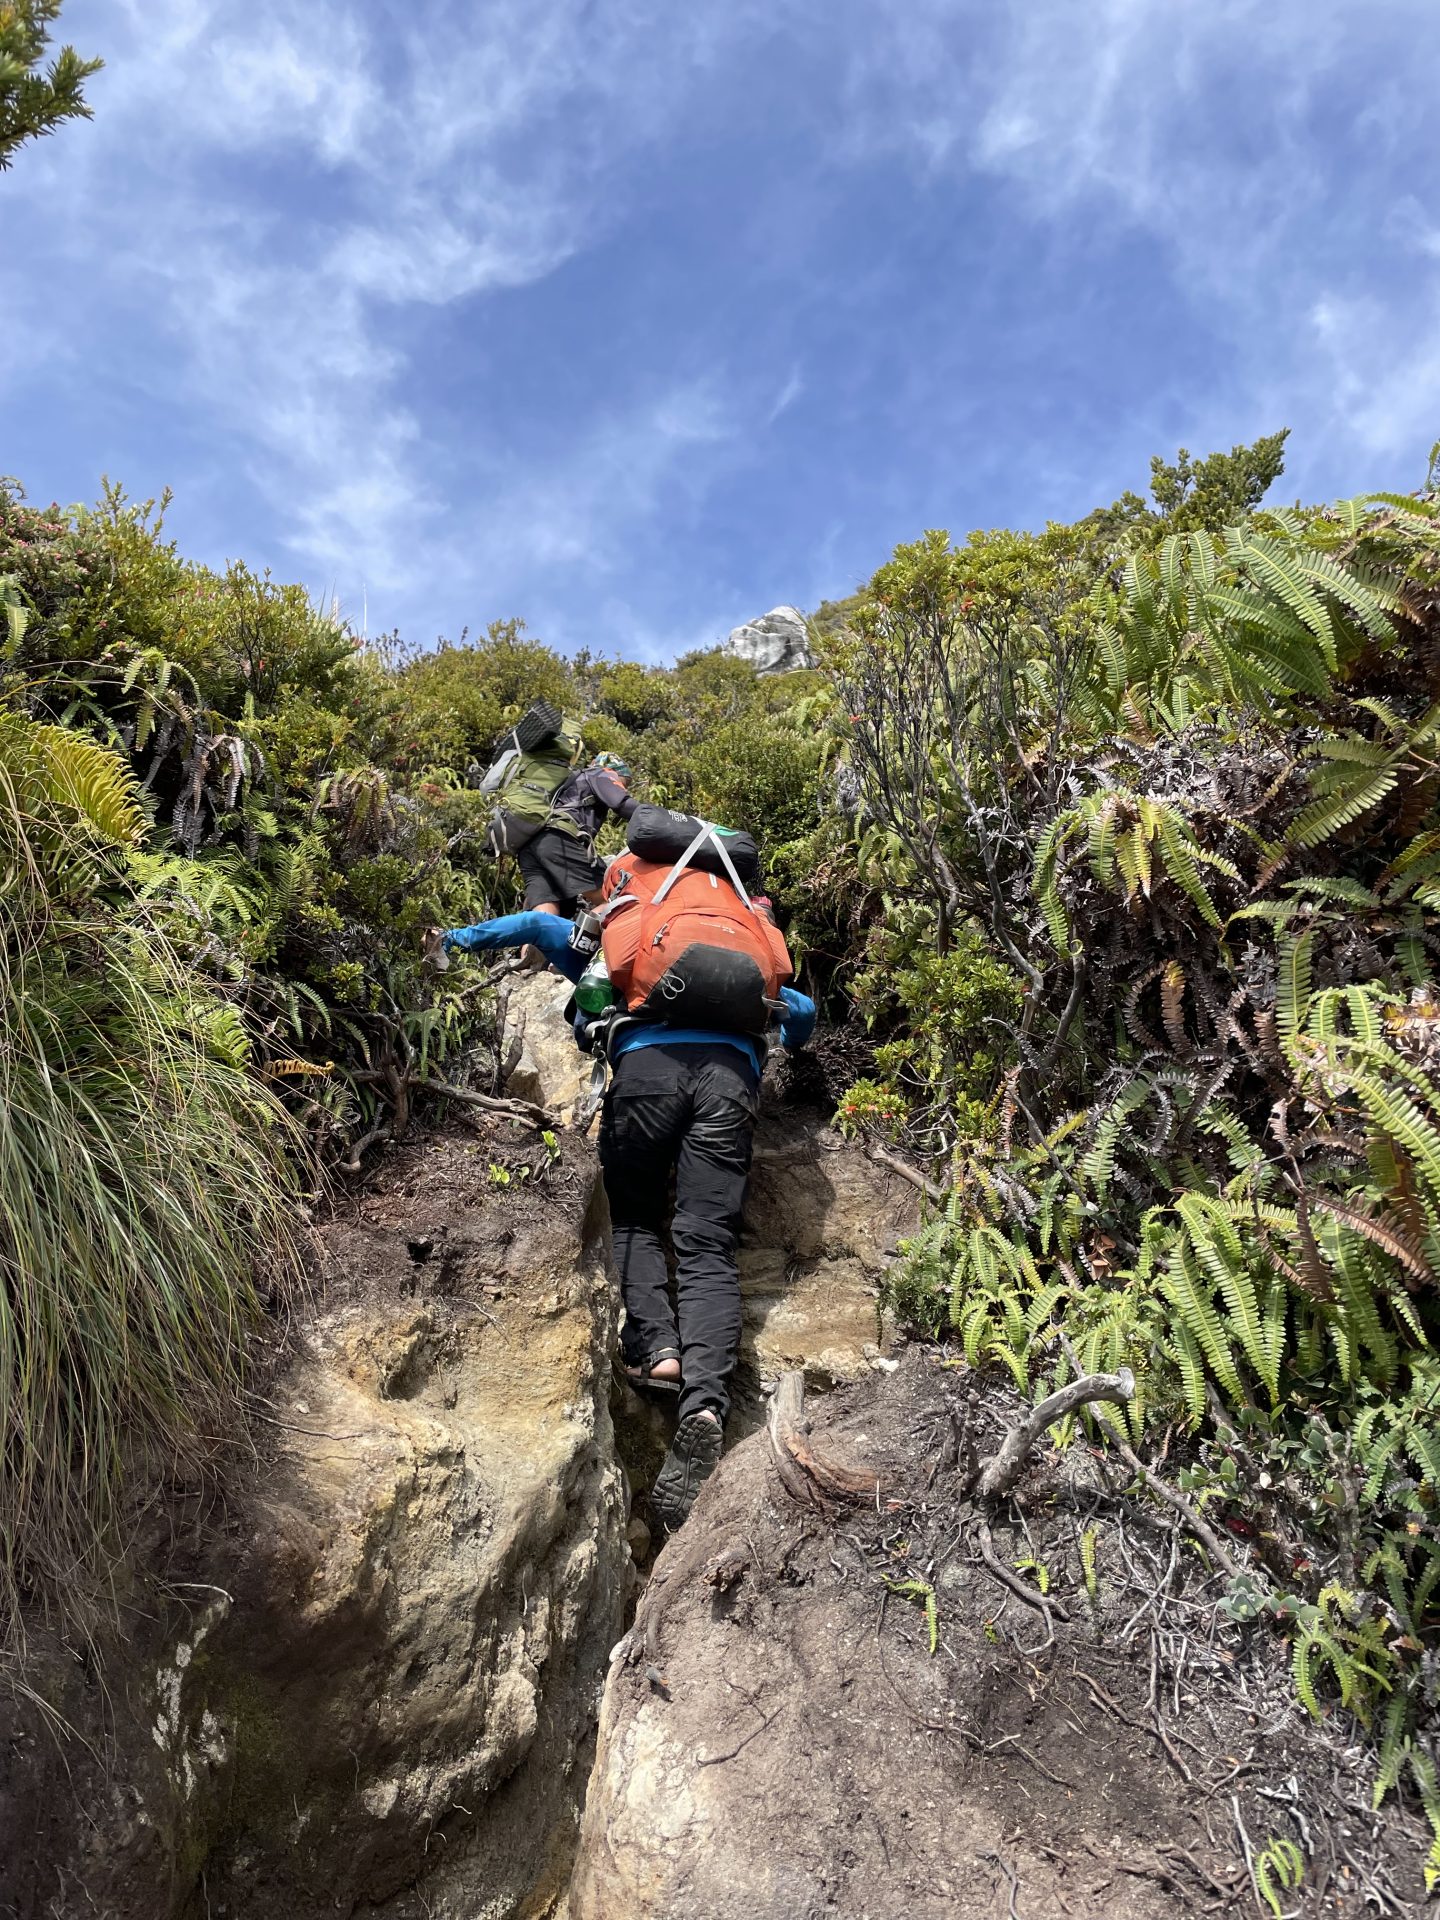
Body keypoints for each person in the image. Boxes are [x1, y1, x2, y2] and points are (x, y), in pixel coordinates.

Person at [438, 899, 816, 1535]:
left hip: (645, 1072)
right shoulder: (750, 938)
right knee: (707, 1243)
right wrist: (788, 1045)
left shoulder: (626, 924)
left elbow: (533, 925)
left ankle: (657, 1348)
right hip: (729, 1080)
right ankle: (705, 1403)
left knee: (635, 1216)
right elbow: (799, 1015)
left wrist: (451, 937)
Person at [517, 751, 637, 920]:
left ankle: (532, 946)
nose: (624, 787)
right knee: (615, 899)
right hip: (559, 840)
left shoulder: (569, 782)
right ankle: (576, 945)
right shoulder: (602, 773)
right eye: (624, 782)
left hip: (530, 843)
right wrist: (660, 817)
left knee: (544, 914)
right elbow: (622, 804)